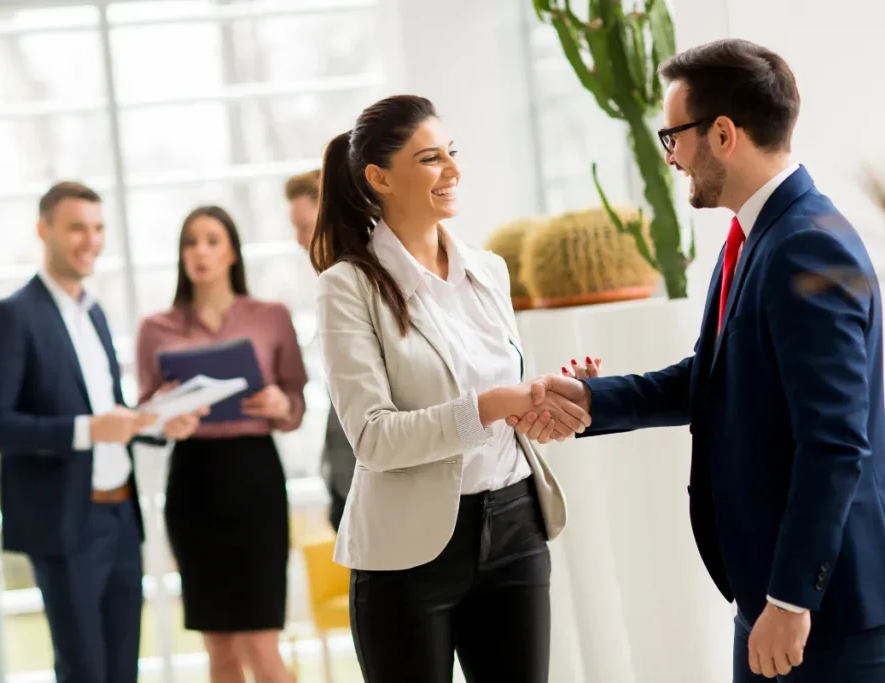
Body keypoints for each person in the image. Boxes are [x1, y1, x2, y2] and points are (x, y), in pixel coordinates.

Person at [512, 39, 885, 682]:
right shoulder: (757, 235)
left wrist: (792, 599)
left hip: (824, 613)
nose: (673, 156)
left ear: (721, 134)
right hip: (770, 594)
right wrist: (594, 401)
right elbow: (715, 378)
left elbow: (834, 443)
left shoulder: (807, 248)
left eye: (674, 135)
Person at [310, 94, 590, 683]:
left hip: (516, 526)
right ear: (379, 177)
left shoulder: (488, 270)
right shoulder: (347, 288)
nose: (454, 171)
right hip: (408, 555)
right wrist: (492, 407)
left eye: (452, 154)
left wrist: (543, 405)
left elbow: (505, 404)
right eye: (431, 159)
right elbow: (373, 439)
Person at [0, 181, 202, 683]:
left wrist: (156, 422)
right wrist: (86, 430)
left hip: (121, 518)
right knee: (85, 672)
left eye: (97, 229)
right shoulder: (11, 317)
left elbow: (106, 412)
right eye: (76, 227)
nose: (90, 240)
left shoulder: (93, 312)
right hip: (65, 522)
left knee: (123, 670)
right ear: (43, 230)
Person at [135, 205, 307, 683]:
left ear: (232, 250)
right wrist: (165, 417)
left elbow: (296, 401)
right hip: (193, 483)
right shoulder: (156, 328)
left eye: (211, 240)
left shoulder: (271, 317)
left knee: (261, 643)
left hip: (255, 482)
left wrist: (280, 404)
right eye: (190, 242)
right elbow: (144, 415)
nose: (200, 252)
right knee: (219, 646)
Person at [284, 170, 354, 531]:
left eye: (305, 226)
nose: (299, 240)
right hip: (344, 471)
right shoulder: (329, 285)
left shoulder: (357, 287)